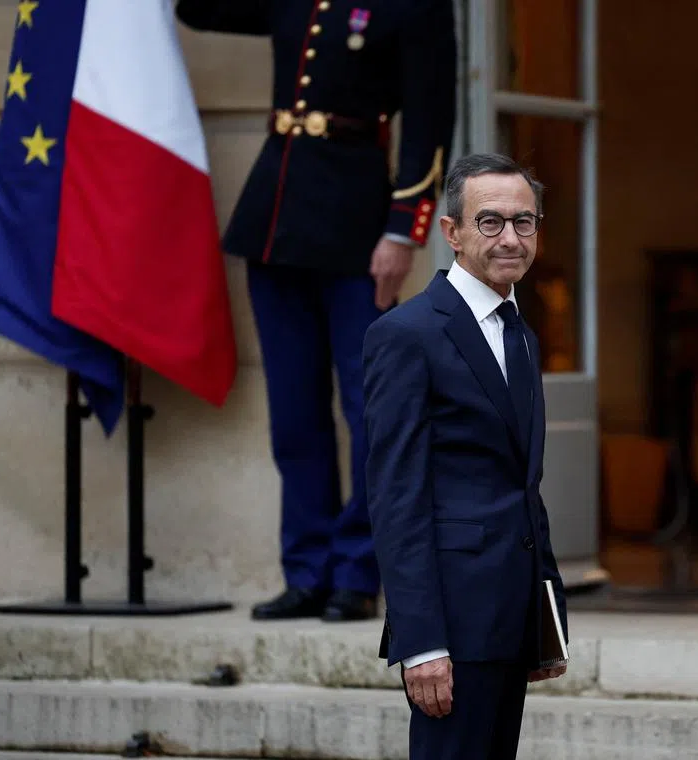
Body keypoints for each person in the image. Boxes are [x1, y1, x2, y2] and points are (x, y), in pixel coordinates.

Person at [174, 0, 457, 621]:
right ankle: (306, 572)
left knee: (371, 414)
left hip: (357, 229)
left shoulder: (413, 9)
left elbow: (432, 123)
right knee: (295, 416)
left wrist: (402, 233)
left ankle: (356, 574)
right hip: (274, 224)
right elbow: (196, 9)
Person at [362, 152, 569, 760]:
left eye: (524, 222)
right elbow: (397, 498)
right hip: (450, 629)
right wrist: (420, 643)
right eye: (490, 222)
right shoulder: (406, 335)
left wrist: (546, 617)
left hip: (511, 618)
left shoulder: (521, 332)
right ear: (451, 232)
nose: (511, 237)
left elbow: (520, 485)